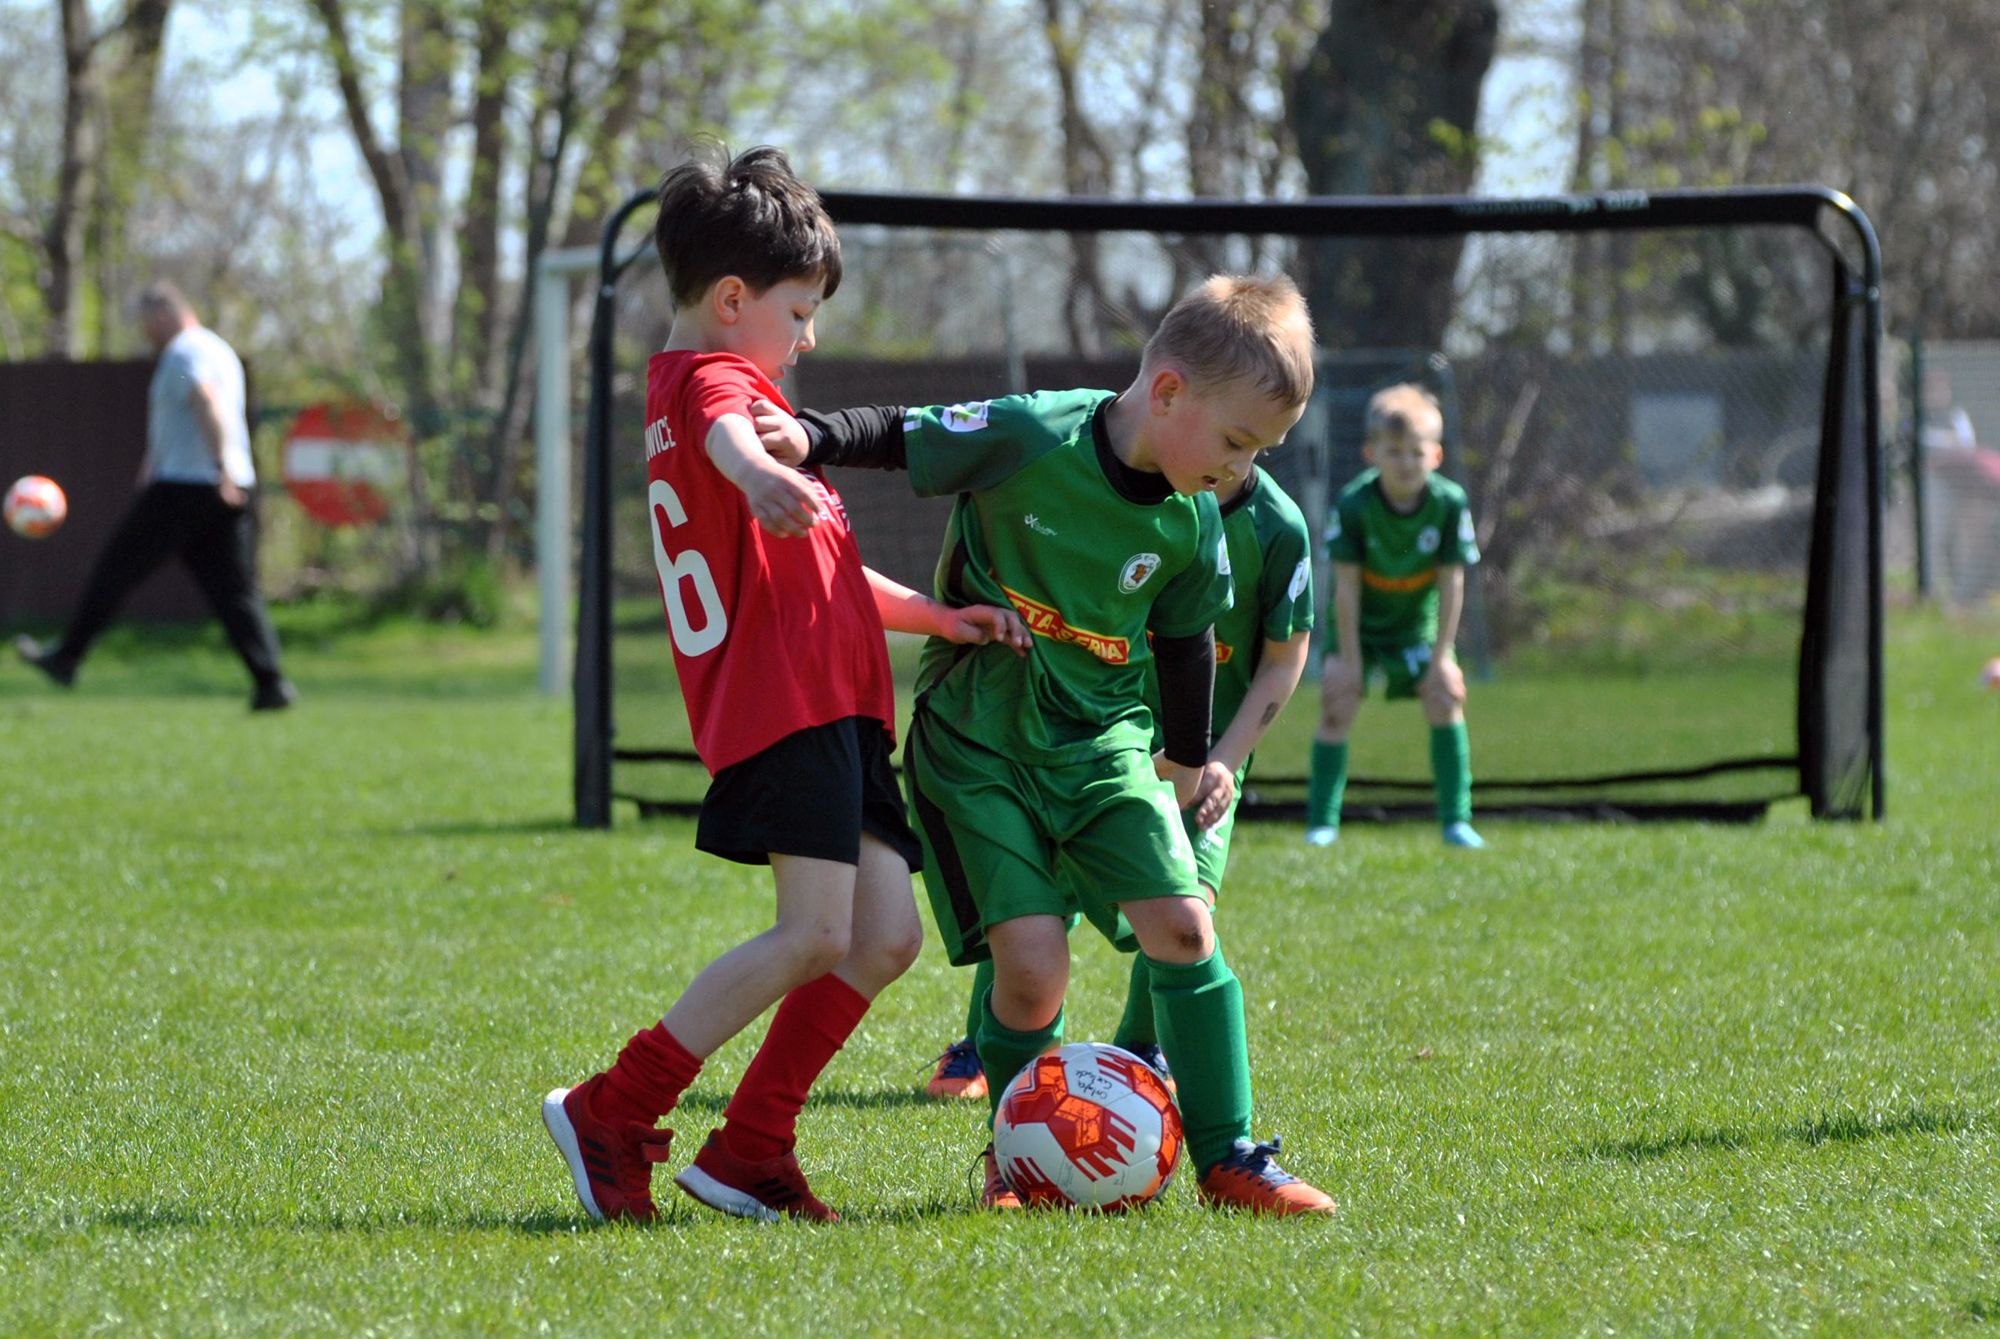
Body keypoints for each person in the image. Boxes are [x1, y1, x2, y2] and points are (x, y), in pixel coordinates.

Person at [762, 273, 1338, 1215]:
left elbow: (1187, 639)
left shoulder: (1197, 516)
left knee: (1186, 927)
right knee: (1030, 970)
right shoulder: (1036, 433)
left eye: (1259, 452)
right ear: (1166, 393)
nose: (1241, 470)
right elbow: (909, 432)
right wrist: (811, 437)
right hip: (981, 739)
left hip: (1106, 743)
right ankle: (1017, 1161)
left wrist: (1184, 769)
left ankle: (1231, 1154)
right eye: (1236, 443)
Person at [539, 144, 1027, 1225]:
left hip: (835, 710)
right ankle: (612, 1107)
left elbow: (827, 569)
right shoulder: (718, 384)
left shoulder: (730, 387)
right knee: (813, 932)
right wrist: (764, 470)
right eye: (799, 312)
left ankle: (750, 1147)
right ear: (729, 300)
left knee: (884, 936)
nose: (808, 337)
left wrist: (937, 617)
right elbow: (722, 434)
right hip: (783, 708)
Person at [921, 460, 1316, 1104]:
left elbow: (1283, 658)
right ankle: (987, 1050)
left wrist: (1223, 756)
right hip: (1097, 728)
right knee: (1036, 888)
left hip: (1206, 749)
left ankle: (1144, 1049)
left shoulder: (1278, 527)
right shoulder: (1129, 485)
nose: (1224, 451)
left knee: (1188, 905)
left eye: (1248, 436)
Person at [14, 282, 294, 710]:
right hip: (220, 485)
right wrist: (180, 465)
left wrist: (217, 467)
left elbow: (205, 401)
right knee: (232, 589)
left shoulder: (185, 354)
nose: (146, 333)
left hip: (188, 485)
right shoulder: (219, 349)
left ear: (163, 315)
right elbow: (186, 417)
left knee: (115, 567)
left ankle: (67, 657)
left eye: (146, 324)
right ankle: (271, 682)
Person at [1302, 383, 1483, 849]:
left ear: (1436, 455)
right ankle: (1322, 824)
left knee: (1445, 699)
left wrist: (1443, 656)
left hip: (1414, 625)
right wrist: (1348, 656)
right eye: (1394, 451)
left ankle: (1456, 822)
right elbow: (1344, 587)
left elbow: (1452, 583)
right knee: (1337, 703)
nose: (1406, 462)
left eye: (1416, 452)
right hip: (1357, 624)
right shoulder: (1355, 504)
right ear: (1371, 453)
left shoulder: (1449, 504)